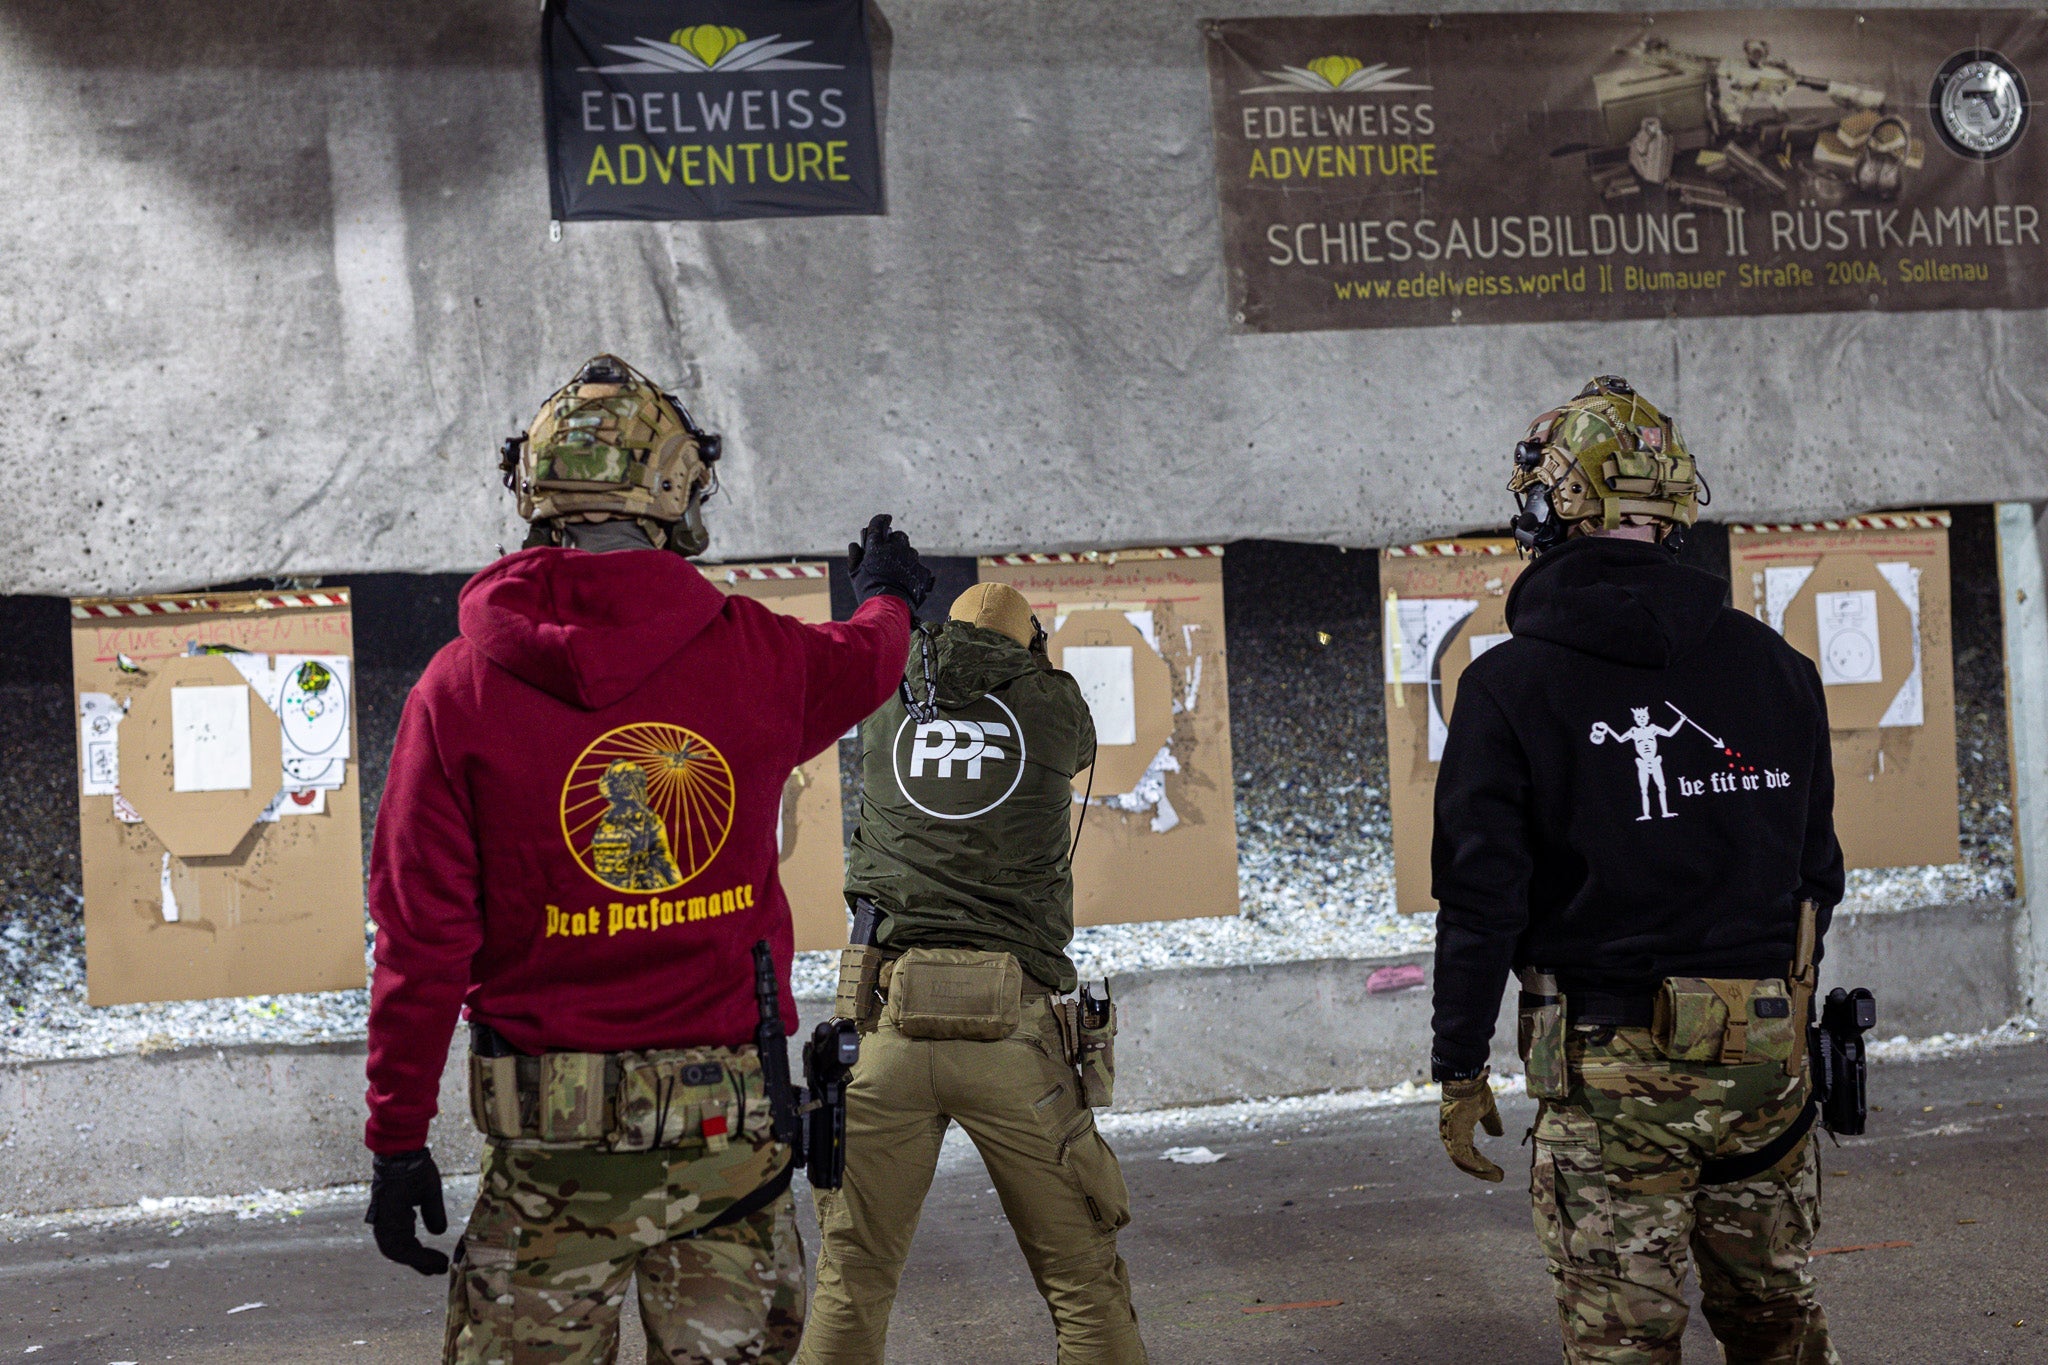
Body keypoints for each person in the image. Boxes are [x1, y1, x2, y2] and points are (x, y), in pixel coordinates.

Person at [360, 354, 932, 1365]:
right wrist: (886, 594)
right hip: (729, 1142)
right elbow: (869, 656)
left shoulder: (455, 692)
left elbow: (422, 943)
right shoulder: (755, 655)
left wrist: (397, 1138)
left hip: (548, 1156)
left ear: (536, 494)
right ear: (676, 490)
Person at [1428, 375, 1844, 1364]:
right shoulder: (1777, 669)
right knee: (1777, 1326)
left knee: (1624, 1344)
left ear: (1554, 504)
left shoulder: (1506, 686)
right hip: (1764, 1062)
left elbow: (1480, 898)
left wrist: (1455, 1061)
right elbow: (1815, 875)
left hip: (1608, 1066)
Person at [795, 582, 1148, 1365]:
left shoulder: (890, 689)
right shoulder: (1050, 702)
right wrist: (1034, 661)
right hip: (1013, 1034)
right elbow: (1080, 743)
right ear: (1031, 646)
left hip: (883, 1022)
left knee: (850, 1284)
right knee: (1085, 1286)